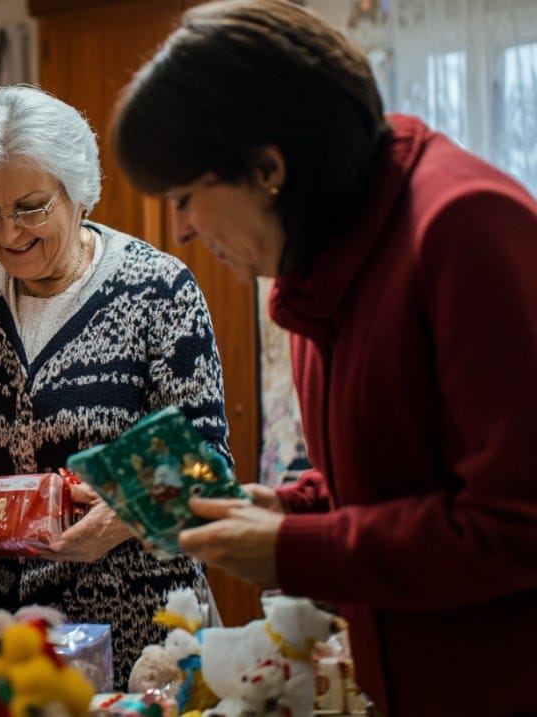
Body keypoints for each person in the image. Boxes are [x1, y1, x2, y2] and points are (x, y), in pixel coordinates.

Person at [113, 1, 537, 714]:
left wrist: (292, 548)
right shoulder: (324, 256)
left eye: (185, 196)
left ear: (267, 166)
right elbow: (394, 473)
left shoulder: (463, 228)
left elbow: (516, 520)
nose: (180, 229)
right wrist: (286, 505)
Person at [0, 84, 232, 690]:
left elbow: (204, 463)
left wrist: (122, 516)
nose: (7, 233)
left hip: (128, 630)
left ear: (78, 192)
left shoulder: (158, 292)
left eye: (29, 207)